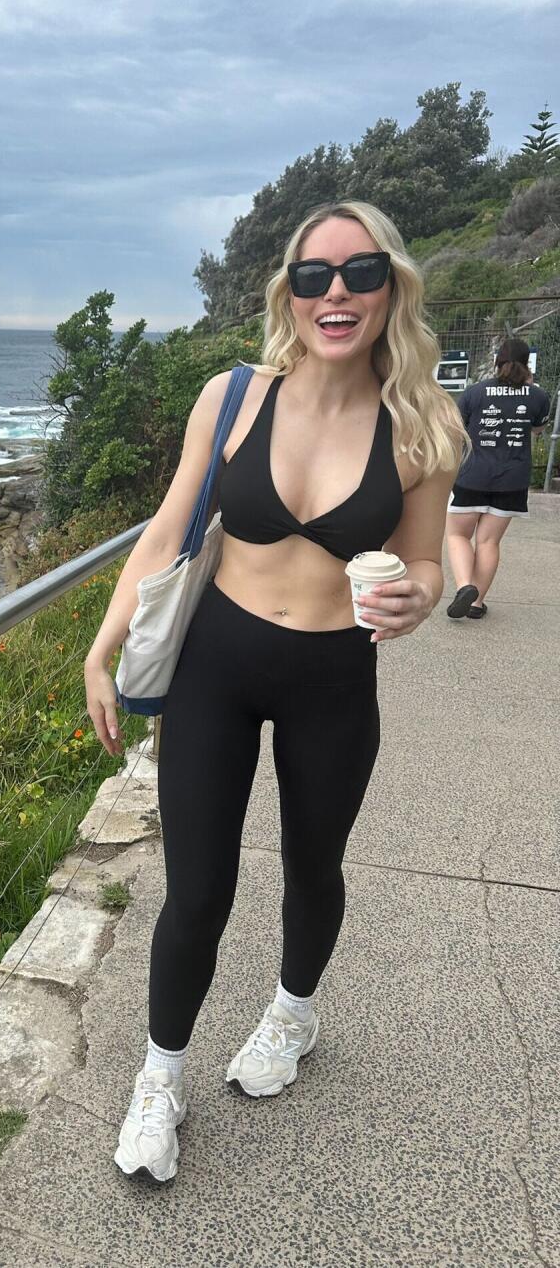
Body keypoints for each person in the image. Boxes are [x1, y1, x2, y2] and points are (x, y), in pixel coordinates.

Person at [82, 200, 466, 1183]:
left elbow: (427, 563)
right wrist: (102, 644)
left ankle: (294, 1013)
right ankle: (160, 1078)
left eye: (359, 272)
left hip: (333, 677)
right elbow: (167, 528)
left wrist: (417, 597)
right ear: (288, 293)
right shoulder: (234, 397)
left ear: (390, 288)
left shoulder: (424, 424)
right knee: (196, 889)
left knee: (312, 866)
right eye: (312, 275)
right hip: (215, 666)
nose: (335, 292)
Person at [444, 338, 551, 620]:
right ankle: (476, 604)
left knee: (457, 535)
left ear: (496, 361)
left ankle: (465, 586)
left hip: (472, 476)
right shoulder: (538, 396)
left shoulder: (474, 392)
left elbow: (456, 430)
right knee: (488, 542)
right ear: (527, 364)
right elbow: (538, 429)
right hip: (512, 481)